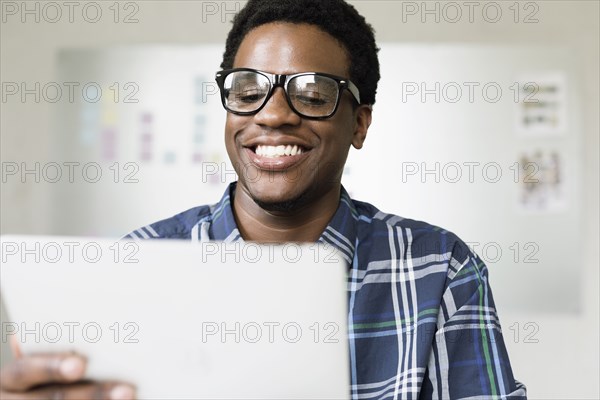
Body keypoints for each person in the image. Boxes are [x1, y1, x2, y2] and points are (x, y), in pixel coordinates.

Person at [0, 0, 527, 398]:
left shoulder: (439, 268)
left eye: (313, 94)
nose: (272, 115)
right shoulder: (134, 262)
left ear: (360, 123)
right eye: (248, 90)